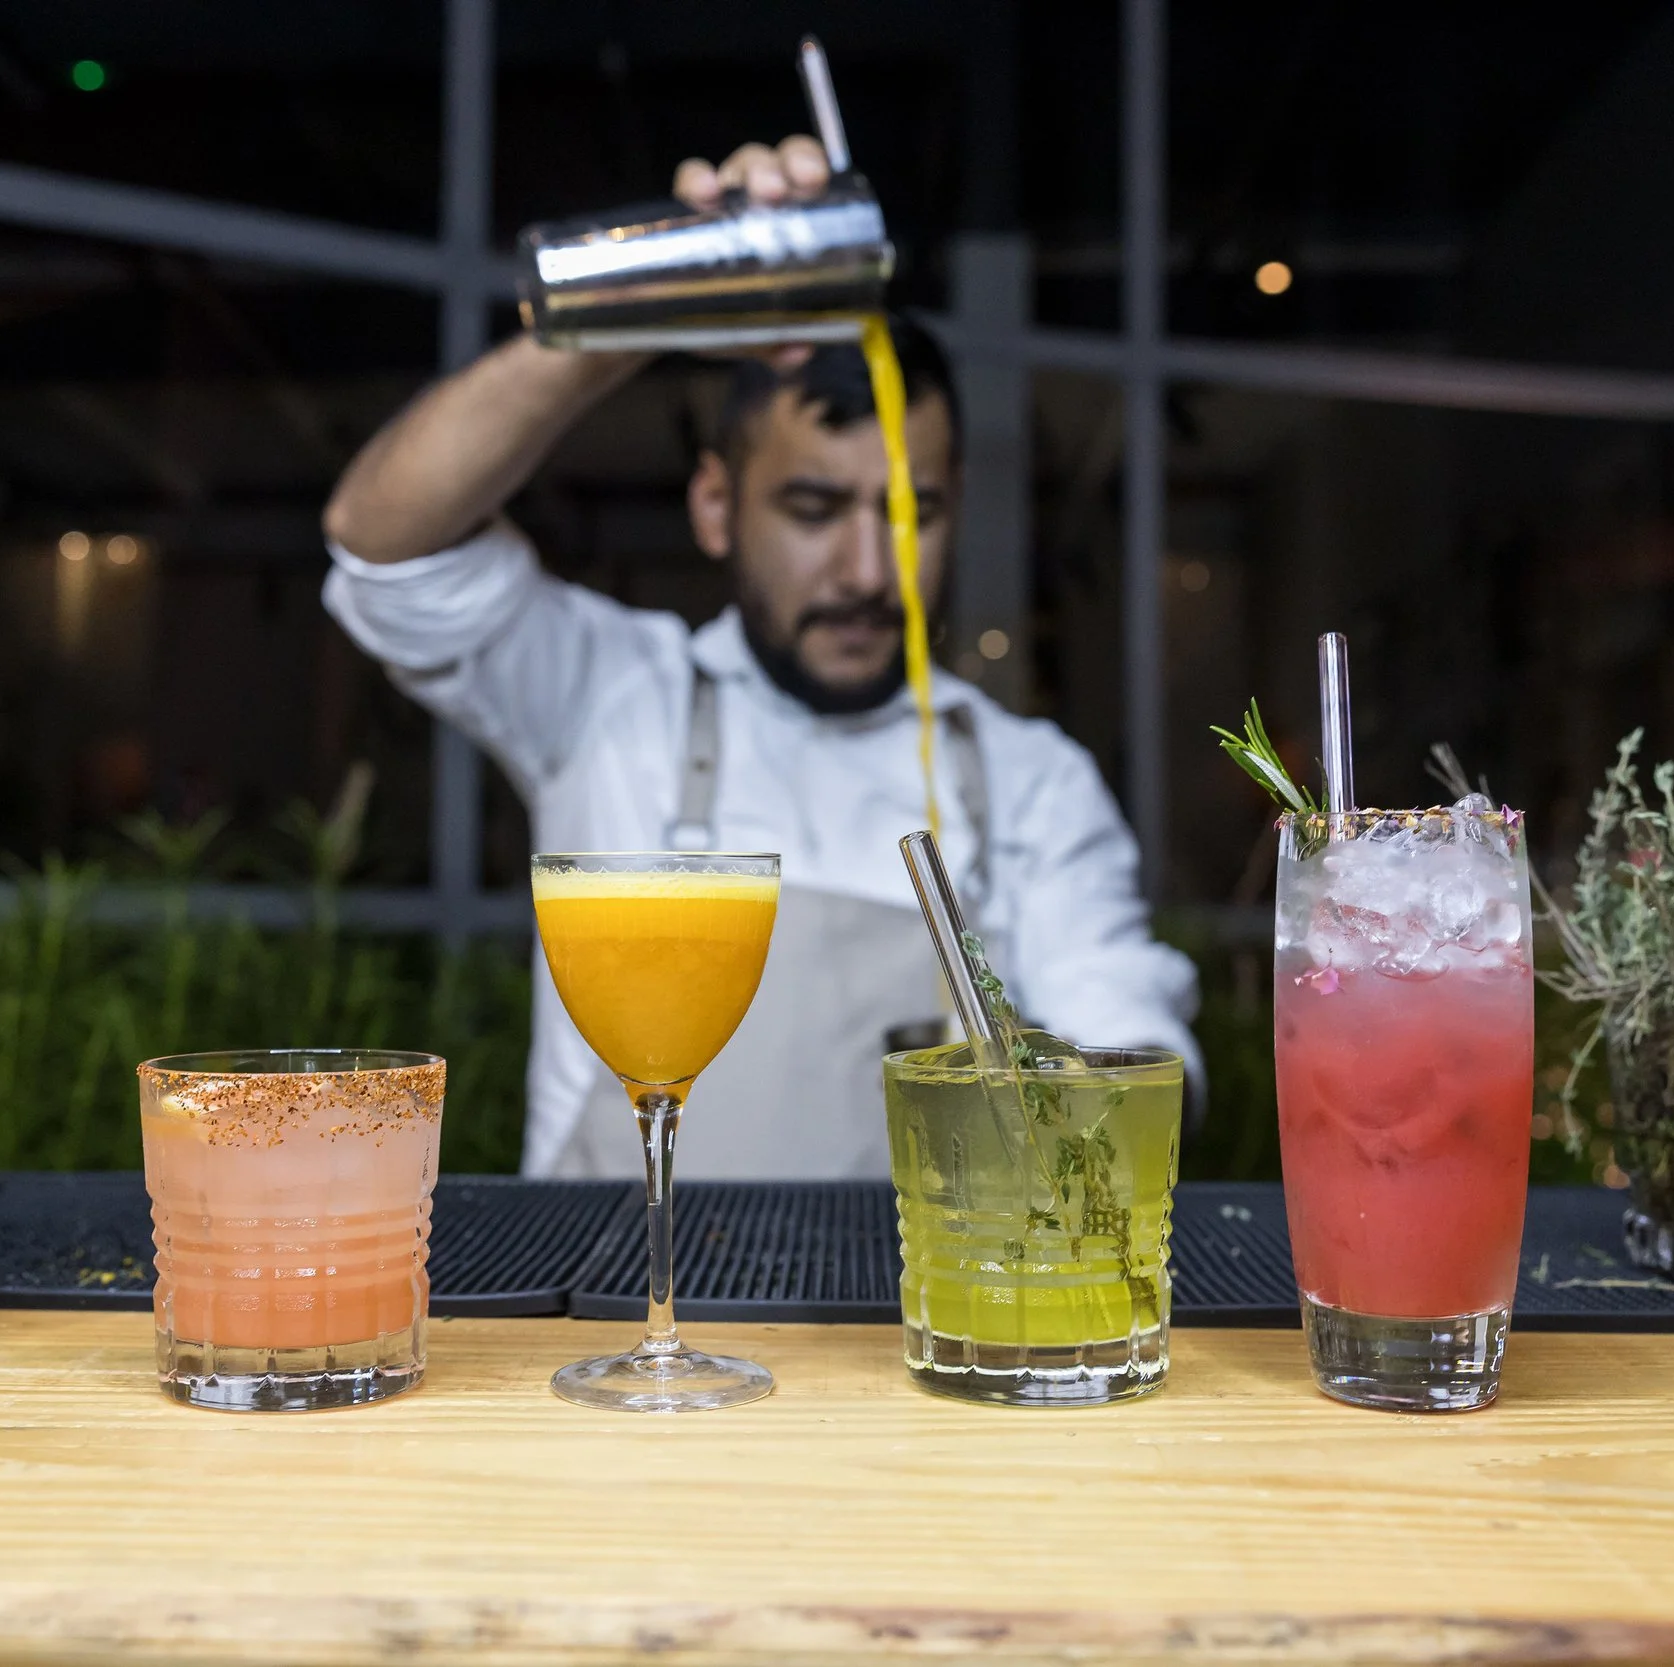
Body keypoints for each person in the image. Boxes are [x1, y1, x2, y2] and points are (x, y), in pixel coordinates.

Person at [323, 134, 1200, 1179]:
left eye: (912, 511)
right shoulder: (611, 696)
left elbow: (1136, 1043)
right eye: (813, 507)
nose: (870, 568)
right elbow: (386, 549)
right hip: (613, 1309)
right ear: (713, 505)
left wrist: (1092, 1092)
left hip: (908, 1326)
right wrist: (658, 296)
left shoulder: (1030, 779)